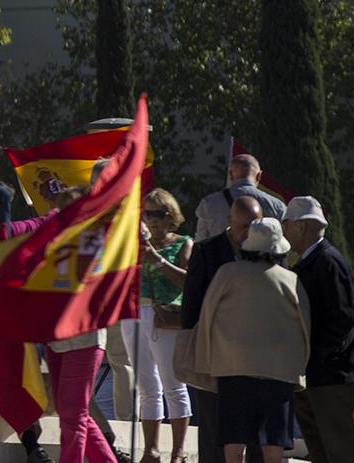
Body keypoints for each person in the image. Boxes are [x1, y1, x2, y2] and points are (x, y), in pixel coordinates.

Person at [7, 178, 115, 463]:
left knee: (74, 415)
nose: (58, 216)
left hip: (85, 335)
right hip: (56, 337)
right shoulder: (56, 242)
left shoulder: (96, 243)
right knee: (73, 413)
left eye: (66, 211)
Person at [190, 218, 310, 463]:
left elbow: (207, 316)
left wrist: (205, 362)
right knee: (273, 442)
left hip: (233, 369)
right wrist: (300, 370)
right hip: (278, 373)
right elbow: (304, 328)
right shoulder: (290, 280)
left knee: (233, 442)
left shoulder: (227, 273)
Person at [283, 195, 354, 463]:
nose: (284, 231)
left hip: (332, 377)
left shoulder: (328, 263)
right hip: (318, 375)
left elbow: (342, 321)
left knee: (340, 450)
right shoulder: (315, 262)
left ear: (300, 226)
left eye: (286, 225)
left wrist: (312, 358)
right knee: (321, 451)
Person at [179, 192, 264, 463]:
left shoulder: (269, 252)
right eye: (243, 227)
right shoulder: (206, 251)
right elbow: (191, 307)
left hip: (255, 361)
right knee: (214, 431)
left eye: (255, 225)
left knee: (254, 433)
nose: (248, 233)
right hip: (215, 357)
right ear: (229, 221)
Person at [125, 189, 194, 463]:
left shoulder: (184, 243)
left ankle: (178, 452)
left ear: (170, 216)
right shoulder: (134, 245)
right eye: (147, 213)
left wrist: (158, 259)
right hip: (133, 314)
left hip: (165, 316)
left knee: (173, 385)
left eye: (157, 213)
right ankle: (151, 451)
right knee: (146, 386)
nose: (151, 219)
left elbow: (189, 281)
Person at [192, 154, 289, 241]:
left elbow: (201, 240)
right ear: (259, 176)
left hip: (220, 260)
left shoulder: (209, 203)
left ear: (230, 175)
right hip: (261, 260)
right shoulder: (276, 205)